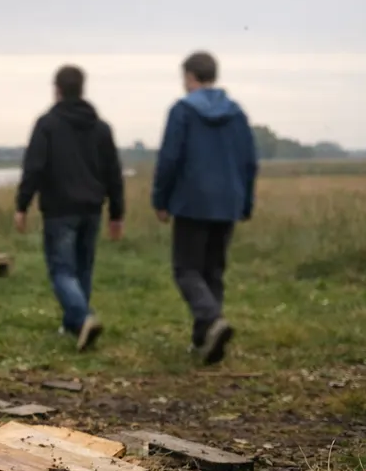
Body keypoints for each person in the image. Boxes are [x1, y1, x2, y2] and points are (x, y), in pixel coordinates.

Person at [152, 51, 257, 366]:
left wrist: (160, 200)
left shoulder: (182, 111)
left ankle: (211, 320)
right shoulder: (237, 113)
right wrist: (245, 202)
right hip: (228, 202)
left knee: (186, 269)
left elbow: (170, 158)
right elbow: (249, 162)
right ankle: (205, 341)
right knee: (213, 270)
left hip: (191, 201)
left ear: (189, 77)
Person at [15, 65, 125, 352]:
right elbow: (113, 173)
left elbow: (34, 167)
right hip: (92, 209)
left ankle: (83, 316)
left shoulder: (47, 125)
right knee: (82, 268)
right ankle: (73, 325)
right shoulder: (100, 128)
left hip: (59, 210)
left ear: (57, 90)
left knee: (62, 270)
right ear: (82, 88)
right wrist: (117, 213)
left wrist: (22, 205)